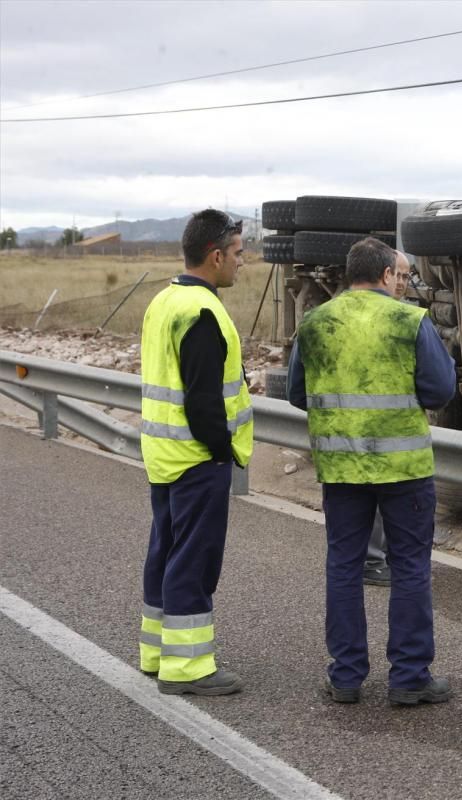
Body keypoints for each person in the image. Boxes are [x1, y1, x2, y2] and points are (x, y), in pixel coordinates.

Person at [287, 237, 457, 706]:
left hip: (340, 467)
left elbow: (297, 393)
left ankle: (346, 676)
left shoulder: (316, 322)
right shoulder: (409, 320)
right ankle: (409, 677)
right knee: (410, 567)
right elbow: (442, 389)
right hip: (403, 467)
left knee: (344, 565)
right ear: (386, 275)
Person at [138, 209, 253, 695]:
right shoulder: (203, 312)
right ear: (215, 256)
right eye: (238, 255)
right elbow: (203, 399)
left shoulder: (164, 300)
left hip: (164, 455)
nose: (241, 264)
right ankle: (187, 669)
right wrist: (222, 451)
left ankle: (157, 652)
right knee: (194, 559)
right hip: (197, 458)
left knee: (165, 550)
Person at [362, 263, 413, 587]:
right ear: (384, 274)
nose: (403, 282)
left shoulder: (410, 317)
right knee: (373, 499)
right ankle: (372, 561)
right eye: (398, 275)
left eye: (408, 277)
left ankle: (383, 558)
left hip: (399, 428)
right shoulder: (366, 318)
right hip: (368, 427)